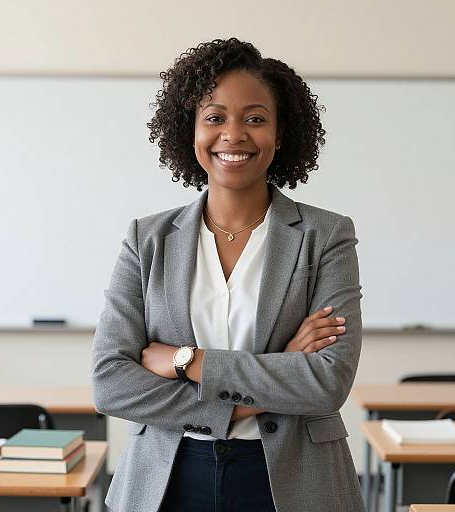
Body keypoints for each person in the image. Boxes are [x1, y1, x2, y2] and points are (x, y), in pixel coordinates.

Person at [92, 37, 365, 512]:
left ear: (280, 134)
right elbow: (110, 381)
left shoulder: (326, 235)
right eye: (214, 117)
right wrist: (263, 384)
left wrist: (184, 360)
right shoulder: (147, 238)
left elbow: (326, 382)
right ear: (190, 131)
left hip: (295, 478)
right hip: (168, 477)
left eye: (255, 119)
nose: (233, 135)